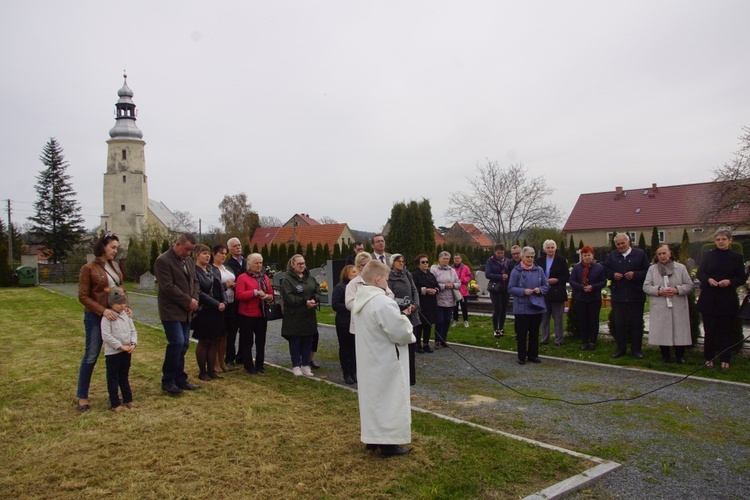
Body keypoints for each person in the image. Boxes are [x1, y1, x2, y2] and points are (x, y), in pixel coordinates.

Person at [352, 260, 415, 457]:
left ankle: (372, 438)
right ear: (378, 279)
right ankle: (388, 443)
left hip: (369, 358)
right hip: (385, 359)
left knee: (373, 399)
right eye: (387, 279)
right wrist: (404, 318)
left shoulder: (360, 300)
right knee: (389, 398)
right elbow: (400, 332)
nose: (388, 283)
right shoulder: (382, 301)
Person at [76, 232, 125, 412]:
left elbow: (119, 289)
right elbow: (83, 296)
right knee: (91, 355)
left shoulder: (116, 267)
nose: (115, 251)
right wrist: (102, 310)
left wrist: (124, 305)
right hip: (96, 316)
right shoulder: (88, 268)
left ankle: (116, 395)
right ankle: (82, 396)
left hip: (115, 316)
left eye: (116, 248)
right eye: (112, 247)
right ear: (103, 247)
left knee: (116, 355)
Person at [154, 233, 201, 394]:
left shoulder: (187, 261)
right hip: (171, 310)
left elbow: (194, 281)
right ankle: (168, 380)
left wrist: (194, 298)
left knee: (184, 344)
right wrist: (188, 301)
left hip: (186, 310)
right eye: (186, 249)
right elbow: (167, 286)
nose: (188, 253)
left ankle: (180, 379)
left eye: (191, 250)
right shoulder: (163, 261)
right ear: (178, 244)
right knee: (177, 343)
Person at [696, 229, 745, 370]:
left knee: (725, 332)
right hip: (709, 298)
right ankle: (708, 358)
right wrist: (708, 279)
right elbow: (700, 273)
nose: (721, 242)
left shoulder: (736, 257)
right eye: (718, 239)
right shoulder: (708, 256)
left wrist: (729, 282)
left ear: (730, 240)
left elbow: (741, 278)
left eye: (723, 239)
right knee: (709, 331)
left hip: (726, 299)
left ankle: (725, 359)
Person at [643, 245, 694, 364]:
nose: (662, 256)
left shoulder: (680, 268)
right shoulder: (652, 269)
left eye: (664, 253)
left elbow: (689, 285)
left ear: (670, 253)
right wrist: (659, 291)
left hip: (677, 304)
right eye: (659, 254)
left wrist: (676, 289)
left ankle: (679, 356)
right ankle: (665, 356)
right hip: (661, 305)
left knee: (679, 330)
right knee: (662, 330)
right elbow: (646, 287)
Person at [603, 233, 650, 359]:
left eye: (622, 243)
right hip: (619, 296)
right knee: (620, 324)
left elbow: (647, 271)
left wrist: (635, 275)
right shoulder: (612, 256)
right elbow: (605, 270)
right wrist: (613, 275)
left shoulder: (640, 254)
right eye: (618, 244)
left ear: (629, 242)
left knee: (636, 324)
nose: (620, 246)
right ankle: (620, 349)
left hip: (636, 295)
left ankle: (636, 350)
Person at [280, 254, 321, 376]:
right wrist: (304, 302)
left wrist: (314, 299)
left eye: (303, 263)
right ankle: (296, 365)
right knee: (296, 341)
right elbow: (289, 297)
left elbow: (318, 290)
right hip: (294, 315)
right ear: (293, 265)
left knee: (308, 339)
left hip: (308, 315)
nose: (302, 266)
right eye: (299, 264)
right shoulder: (288, 279)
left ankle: (306, 365)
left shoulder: (310, 278)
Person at [508, 247, 549, 365]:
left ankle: (533, 355)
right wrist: (523, 291)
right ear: (522, 257)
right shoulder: (516, 271)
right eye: (528, 257)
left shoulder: (539, 270)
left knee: (535, 332)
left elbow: (546, 286)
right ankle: (521, 356)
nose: (530, 259)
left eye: (532, 257)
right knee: (522, 333)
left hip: (536, 306)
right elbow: (510, 288)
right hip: (522, 307)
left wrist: (539, 289)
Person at [192, 244, 227, 382]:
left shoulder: (212, 270)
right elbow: (199, 292)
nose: (207, 256)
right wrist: (215, 303)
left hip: (217, 310)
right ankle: (203, 371)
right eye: (204, 253)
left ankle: (211, 370)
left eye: (208, 253)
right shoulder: (194, 271)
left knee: (215, 340)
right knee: (204, 341)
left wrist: (224, 302)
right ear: (197, 255)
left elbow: (221, 287)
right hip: (204, 311)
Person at [235, 253, 274, 375]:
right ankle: (248, 365)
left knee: (261, 341)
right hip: (247, 314)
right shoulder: (243, 277)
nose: (259, 265)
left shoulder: (265, 278)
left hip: (261, 314)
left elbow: (271, 293)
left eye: (260, 263)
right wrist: (254, 293)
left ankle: (260, 364)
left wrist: (268, 297)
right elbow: (239, 295)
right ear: (249, 264)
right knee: (247, 341)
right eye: (256, 263)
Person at [101, 288, 137, 412]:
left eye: (124, 303)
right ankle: (115, 403)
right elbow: (106, 336)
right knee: (113, 377)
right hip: (113, 353)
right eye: (119, 303)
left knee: (124, 376)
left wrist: (133, 343)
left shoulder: (126, 316)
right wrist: (120, 346)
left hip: (126, 351)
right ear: (111, 304)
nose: (123, 306)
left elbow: (132, 330)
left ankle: (128, 399)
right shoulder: (107, 318)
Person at [388, 254, 420, 386]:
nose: (401, 263)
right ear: (392, 263)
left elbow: (414, 290)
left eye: (403, 261)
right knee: (398, 348)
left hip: (412, 314)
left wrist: (415, 305)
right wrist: (400, 308)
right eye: (398, 261)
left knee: (411, 345)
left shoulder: (407, 274)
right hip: (398, 314)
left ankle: (410, 378)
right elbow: (388, 295)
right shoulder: (389, 277)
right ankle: (397, 377)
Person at [569, 246, 607, 350]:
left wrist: (593, 287)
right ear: (582, 256)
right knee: (583, 320)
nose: (587, 257)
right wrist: (581, 287)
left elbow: (603, 282)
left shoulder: (599, 268)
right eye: (585, 255)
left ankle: (593, 341)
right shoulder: (577, 268)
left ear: (592, 255)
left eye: (589, 255)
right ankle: (584, 341)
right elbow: (572, 281)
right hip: (581, 298)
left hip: (594, 298)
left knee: (593, 320)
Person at [536, 240, 570, 346]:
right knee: (544, 317)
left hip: (557, 292)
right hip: (544, 293)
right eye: (548, 247)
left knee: (558, 317)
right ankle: (544, 338)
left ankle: (558, 339)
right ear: (544, 249)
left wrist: (557, 280)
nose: (550, 250)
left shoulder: (561, 260)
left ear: (555, 248)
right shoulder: (539, 261)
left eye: (552, 247)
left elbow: (566, 276)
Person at [211, 245, 235, 373]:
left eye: (225, 254)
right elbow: (213, 287)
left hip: (230, 303)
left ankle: (222, 361)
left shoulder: (227, 268)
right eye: (221, 253)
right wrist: (225, 285)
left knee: (225, 335)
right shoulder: (211, 269)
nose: (224, 256)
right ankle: (214, 362)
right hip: (219, 304)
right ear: (214, 254)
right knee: (217, 335)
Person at [332, 265, 357, 384]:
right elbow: (335, 304)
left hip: (355, 322)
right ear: (346, 273)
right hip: (344, 322)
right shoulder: (340, 287)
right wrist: (350, 307)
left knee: (354, 348)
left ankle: (354, 371)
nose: (356, 274)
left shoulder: (358, 287)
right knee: (345, 348)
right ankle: (346, 373)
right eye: (353, 272)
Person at [430, 251, 460, 348]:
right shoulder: (434, 270)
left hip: (450, 299)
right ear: (439, 259)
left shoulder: (452, 270)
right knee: (440, 320)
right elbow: (432, 283)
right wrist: (444, 286)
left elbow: (458, 283)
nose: (446, 260)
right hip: (439, 299)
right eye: (444, 258)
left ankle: (444, 339)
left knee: (447, 320)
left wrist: (453, 285)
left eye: (447, 259)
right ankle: (437, 340)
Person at [224, 237, 246, 367]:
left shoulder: (247, 262)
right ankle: (229, 357)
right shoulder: (227, 265)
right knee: (231, 331)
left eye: (239, 245)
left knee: (244, 331)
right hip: (233, 302)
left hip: (246, 302)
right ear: (229, 249)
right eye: (235, 246)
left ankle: (241, 356)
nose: (238, 247)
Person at [411, 254, 438, 353]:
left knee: (429, 324)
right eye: (423, 262)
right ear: (418, 264)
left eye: (427, 262)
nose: (425, 264)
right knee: (420, 325)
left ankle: (426, 344)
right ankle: (417, 344)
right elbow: (414, 289)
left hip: (431, 302)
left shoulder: (431, 275)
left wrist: (435, 290)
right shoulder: (415, 275)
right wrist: (425, 290)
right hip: (421, 302)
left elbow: (437, 285)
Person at [485, 244, 511, 337]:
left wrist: (507, 276)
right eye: (498, 253)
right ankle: (495, 329)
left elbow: (511, 271)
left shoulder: (508, 261)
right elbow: (488, 274)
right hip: (495, 288)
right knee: (497, 309)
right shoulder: (490, 261)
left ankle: (501, 328)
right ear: (495, 252)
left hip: (505, 288)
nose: (500, 255)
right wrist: (500, 277)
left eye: (502, 253)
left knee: (504, 309)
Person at [451, 253, 472, 328]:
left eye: (458, 258)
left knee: (464, 306)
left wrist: (463, 280)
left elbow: (470, 276)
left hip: (463, 290)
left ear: (461, 259)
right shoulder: (451, 268)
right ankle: (455, 320)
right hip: (454, 290)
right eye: (455, 258)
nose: (456, 260)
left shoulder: (465, 267)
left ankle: (465, 320)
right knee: (455, 306)